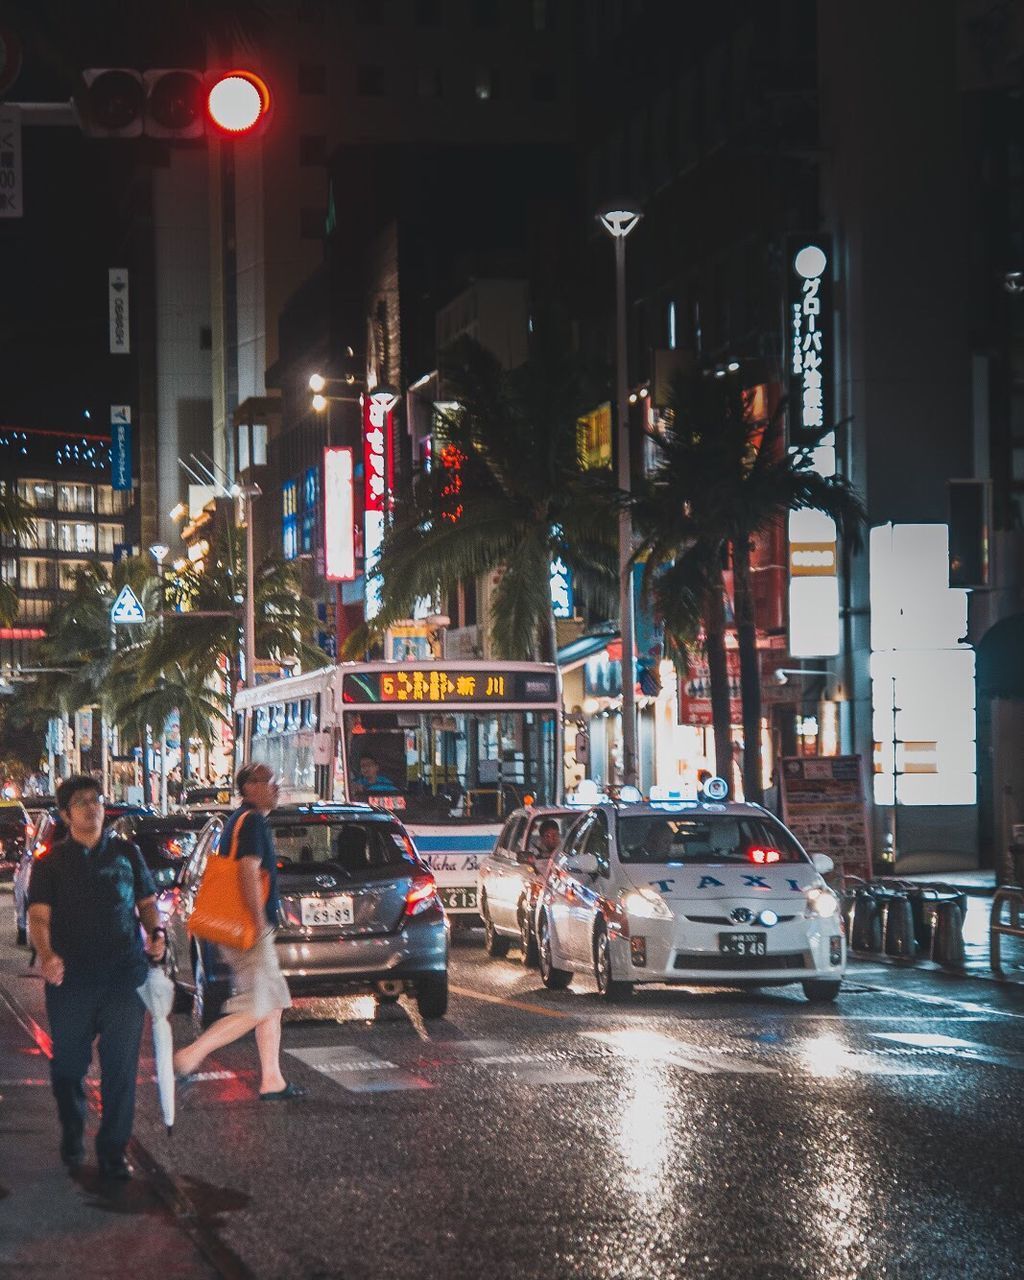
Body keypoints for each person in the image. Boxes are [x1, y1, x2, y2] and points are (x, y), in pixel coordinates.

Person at [27, 774, 167, 1180]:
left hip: (124, 976)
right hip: (71, 980)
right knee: (69, 1067)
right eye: (83, 802)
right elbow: (38, 916)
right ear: (66, 814)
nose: (93, 807)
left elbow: (146, 901)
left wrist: (155, 934)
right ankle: (73, 1131)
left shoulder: (126, 853)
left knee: (120, 1068)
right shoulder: (51, 863)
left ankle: (112, 1151)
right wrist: (48, 954)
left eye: (98, 800)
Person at [172, 763, 305, 1102]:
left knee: (272, 1004)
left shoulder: (238, 820)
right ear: (248, 788)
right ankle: (190, 1057)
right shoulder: (253, 822)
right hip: (248, 928)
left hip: (240, 927)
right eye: (267, 781)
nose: (276, 786)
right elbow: (248, 871)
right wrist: (258, 918)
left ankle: (272, 1080)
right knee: (258, 1007)